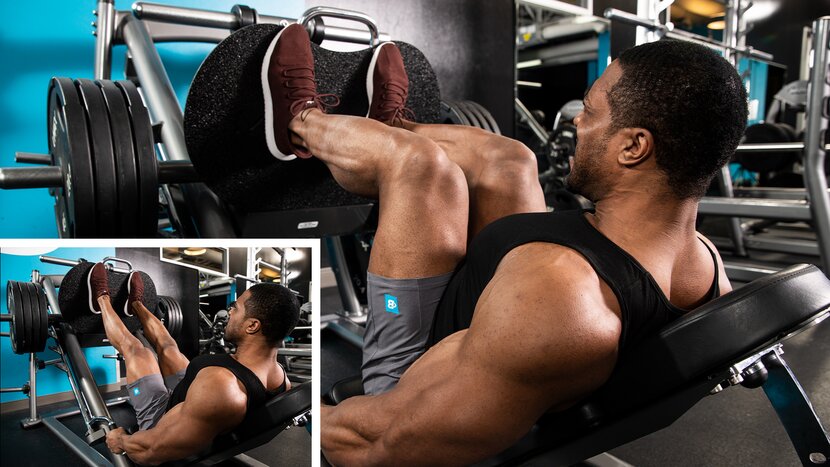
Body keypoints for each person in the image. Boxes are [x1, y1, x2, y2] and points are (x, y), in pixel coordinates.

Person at [268, 23, 745, 465]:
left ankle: (298, 122)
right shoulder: (702, 259)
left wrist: (277, 415)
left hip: (411, 369)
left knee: (418, 167)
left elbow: (387, 442)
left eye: (592, 112)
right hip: (508, 312)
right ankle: (386, 128)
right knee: (510, 159)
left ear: (633, 147)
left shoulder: (562, 296)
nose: (577, 123)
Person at [85, 263, 300, 465]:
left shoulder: (222, 387)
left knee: (138, 351)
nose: (230, 311)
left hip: (161, 422)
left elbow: (151, 450)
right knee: (169, 347)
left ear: (252, 326)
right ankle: (135, 305)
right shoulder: (281, 378)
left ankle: (101, 299)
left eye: (236, 308)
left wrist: (121, 441)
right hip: (191, 396)